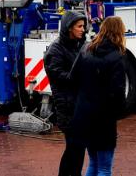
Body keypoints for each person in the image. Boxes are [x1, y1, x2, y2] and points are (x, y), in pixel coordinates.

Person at [70, 16, 128, 176]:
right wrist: (120, 112)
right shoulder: (116, 56)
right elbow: (117, 91)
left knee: (93, 162)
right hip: (104, 117)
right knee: (104, 167)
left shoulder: (86, 49)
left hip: (85, 114)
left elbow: (73, 78)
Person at [45, 10, 88, 176]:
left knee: (78, 147)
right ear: (69, 28)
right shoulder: (56, 50)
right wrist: (81, 75)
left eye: (83, 26)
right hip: (67, 106)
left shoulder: (79, 45)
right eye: (79, 26)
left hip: (79, 104)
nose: (83, 29)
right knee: (73, 146)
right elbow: (58, 76)